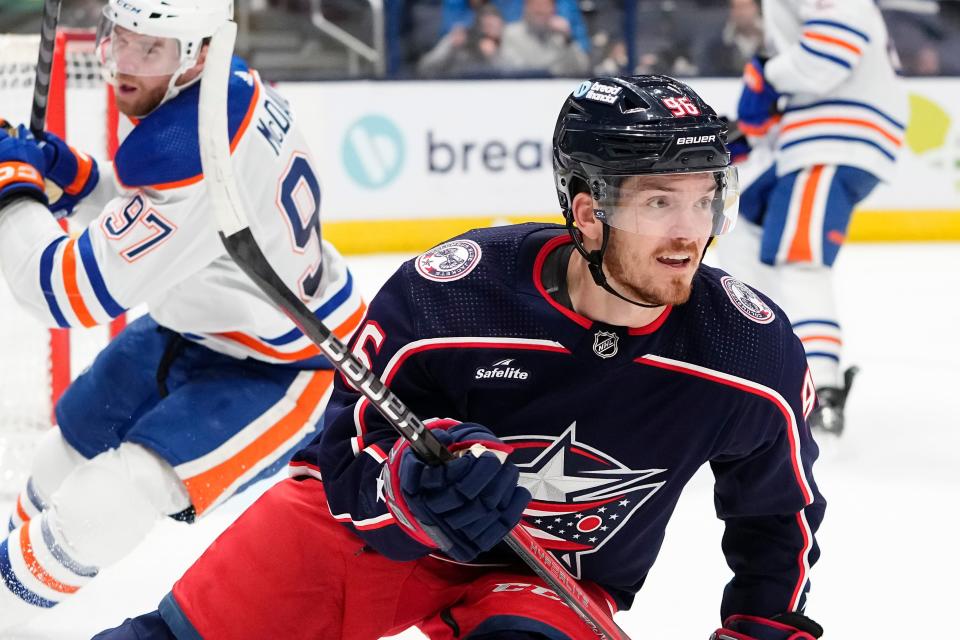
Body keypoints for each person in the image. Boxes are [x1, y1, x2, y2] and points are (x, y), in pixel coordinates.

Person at [94, 75, 826, 640]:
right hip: (372, 534)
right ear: (586, 212)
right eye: (659, 203)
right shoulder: (457, 296)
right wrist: (409, 481)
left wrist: (760, 629)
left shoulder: (746, 350)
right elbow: (348, 445)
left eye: (705, 202)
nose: (688, 232)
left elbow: (778, 520)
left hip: (551, 583)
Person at [0, 0, 363, 631]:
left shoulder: (191, 148)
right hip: (201, 319)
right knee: (64, 459)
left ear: (194, 52)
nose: (123, 64)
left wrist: (13, 190)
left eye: (152, 49)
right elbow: (169, 220)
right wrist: (74, 176)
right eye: (123, 40)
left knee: (114, 494)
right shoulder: (226, 85)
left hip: (286, 364)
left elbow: (61, 293)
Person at [716, 0, 907, 435]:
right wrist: (755, 131)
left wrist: (768, 73)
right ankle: (764, 356)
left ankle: (822, 388)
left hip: (833, 141)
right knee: (744, 228)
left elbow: (829, 53)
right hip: (810, 140)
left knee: (798, 260)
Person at [499, 0, 590, 76]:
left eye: (546, 5)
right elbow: (515, 69)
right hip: (523, 90)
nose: (541, 10)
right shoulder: (511, 33)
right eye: (536, 5)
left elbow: (582, 67)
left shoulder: (561, 36)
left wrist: (567, 38)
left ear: (553, 9)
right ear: (526, 8)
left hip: (559, 88)